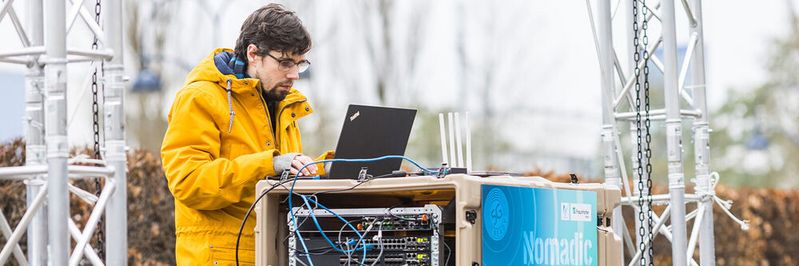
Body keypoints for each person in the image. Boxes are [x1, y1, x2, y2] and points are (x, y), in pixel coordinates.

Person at [160, 4, 332, 265]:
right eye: (285, 62)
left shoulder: (285, 104)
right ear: (254, 53)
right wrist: (269, 164)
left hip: (276, 255)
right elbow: (188, 181)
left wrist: (329, 167)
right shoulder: (200, 98)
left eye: (300, 63)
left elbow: (286, 181)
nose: (295, 74)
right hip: (221, 258)